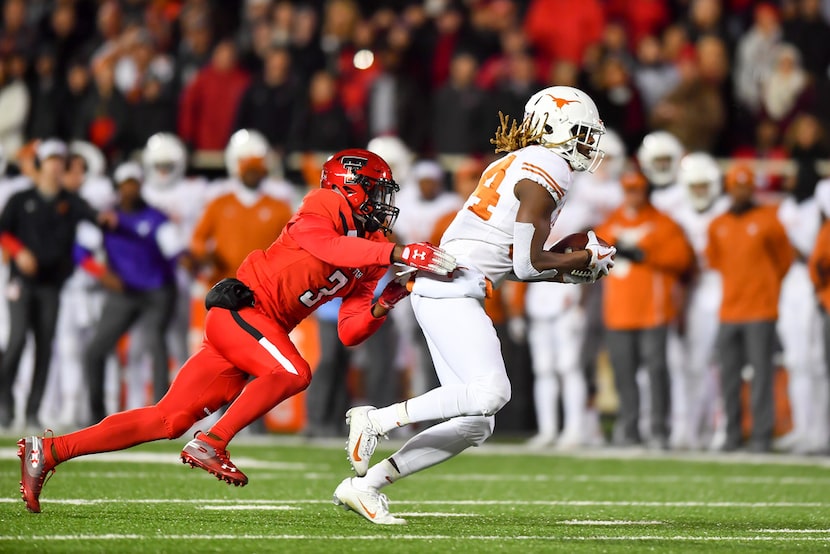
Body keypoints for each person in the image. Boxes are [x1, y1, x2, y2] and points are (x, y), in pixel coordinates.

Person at [17, 148, 457, 513]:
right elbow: (325, 245)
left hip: (256, 328)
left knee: (169, 419)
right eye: (377, 191)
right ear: (350, 185)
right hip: (243, 309)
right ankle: (213, 441)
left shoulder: (374, 249)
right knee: (294, 372)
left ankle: (50, 451)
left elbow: (348, 331)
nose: (382, 202)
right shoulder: (325, 205)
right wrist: (397, 252)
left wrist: (384, 301)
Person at [334, 86, 616, 525]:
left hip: (446, 285)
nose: (586, 144)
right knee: (492, 392)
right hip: (452, 285)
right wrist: (582, 259)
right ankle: (376, 419)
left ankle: (365, 485)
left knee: (475, 422)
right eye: (581, 132)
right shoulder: (551, 166)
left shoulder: (522, 161)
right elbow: (527, 263)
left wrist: (576, 264)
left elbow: (522, 260)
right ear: (557, 129)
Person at [0, 139, 107, 430]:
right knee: (18, 339)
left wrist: (110, 220)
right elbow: (3, 230)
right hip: (22, 282)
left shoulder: (70, 202)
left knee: (45, 346)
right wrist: (19, 251)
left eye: (60, 160)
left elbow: (97, 219)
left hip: (52, 284)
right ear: (40, 164)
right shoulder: (21, 199)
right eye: (50, 159)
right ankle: (5, 401)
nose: (56, 165)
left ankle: (33, 410)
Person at [596, 172, 694, 449]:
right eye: (628, 190)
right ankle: (629, 428)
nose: (632, 196)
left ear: (646, 192)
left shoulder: (663, 224)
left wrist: (646, 255)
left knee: (657, 371)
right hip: (618, 311)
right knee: (623, 372)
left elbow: (681, 259)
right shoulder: (610, 222)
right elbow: (591, 256)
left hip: (653, 310)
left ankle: (660, 429)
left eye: (637, 190)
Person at [78, 162, 182, 423]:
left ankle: (162, 412)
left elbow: (175, 253)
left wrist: (187, 262)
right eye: (125, 184)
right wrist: (101, 273)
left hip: (157, 290)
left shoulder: (155, 218)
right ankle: (95, 413)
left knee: (154, 342)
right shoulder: (105, 218)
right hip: (124, 291)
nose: (130, 189)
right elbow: (80, 254)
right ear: (118, 187)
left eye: (134, 184)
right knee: (95, 349)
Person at [706, 163, 793, 453]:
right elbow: (716, 261)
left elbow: (784, 260)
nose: (741, 190)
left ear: (753, 187)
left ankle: (761, 436)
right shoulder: (718, 224)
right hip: (729, 310)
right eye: (736, 184)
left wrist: (765, 288)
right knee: (729, 378)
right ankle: (731, 435)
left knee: (761, 376)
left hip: (761, 311)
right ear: (729, 187)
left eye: (746, 185)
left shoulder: (769, 220)